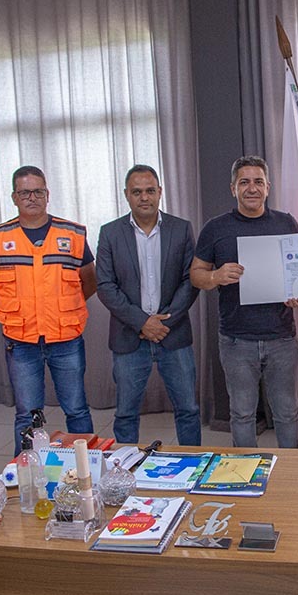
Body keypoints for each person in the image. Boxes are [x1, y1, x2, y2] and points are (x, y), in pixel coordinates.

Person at [0, 166, 95, 457]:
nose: (32, 198)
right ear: (14, 197)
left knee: (77, 409)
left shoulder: (73, 234)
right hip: (21, 341)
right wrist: (17, 311)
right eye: (25, 192)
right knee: (26, 414)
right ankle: (26, 474)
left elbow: (89, 282)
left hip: (66, 339)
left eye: (38, 191)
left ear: (47, 194)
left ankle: (87, 468)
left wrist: (61, 310)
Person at [190, 156, 298, 448]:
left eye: (258, 182)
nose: (252, 188)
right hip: (236, 340)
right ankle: (246, 470)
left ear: (268, 187)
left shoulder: (286, 222)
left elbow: (297, 272)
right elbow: (196, 275)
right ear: (233, 188)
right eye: (244, 182)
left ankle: (291, 470)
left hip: (281, 337)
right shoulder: (216, 228)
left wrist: (297, 292)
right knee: (242, 415)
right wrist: (215, 276)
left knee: (287, 414)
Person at [96, 165, 201, 446]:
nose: (144, 197)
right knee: (126, 414)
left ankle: (193, 462)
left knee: (188, 410)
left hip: (173, 334)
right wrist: (142, 322)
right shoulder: (110, 233)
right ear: (126, 195)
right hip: (129, 336)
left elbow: (190, 280)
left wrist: (163, 323)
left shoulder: (181, 229)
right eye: (137, 192)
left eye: (150, 190)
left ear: (160, 192)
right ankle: (126, 466)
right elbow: (105, 286)